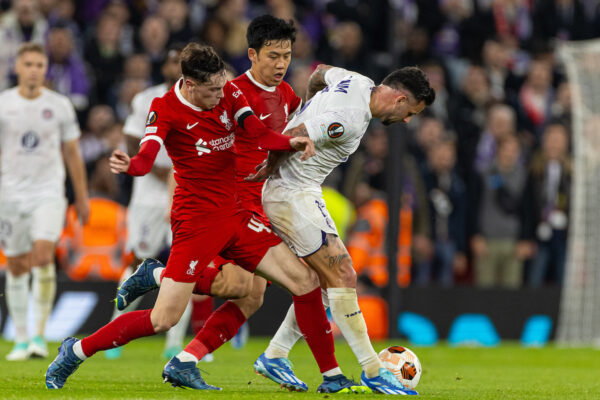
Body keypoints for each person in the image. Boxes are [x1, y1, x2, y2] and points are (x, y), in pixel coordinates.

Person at [45, 43, 344, 392]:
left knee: (302, 283)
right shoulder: (165, 108)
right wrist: (132, 166)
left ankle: (332, 377)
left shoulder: (228, 93)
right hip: (196, 222)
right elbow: (146, 155)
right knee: (163, 319)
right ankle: (77, 350)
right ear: (189, 84)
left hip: (237, 213)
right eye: (212, 90)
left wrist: (288, 143)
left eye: (222, 86)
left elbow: (258, 133)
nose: (222, 95)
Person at [110, 15, 368, 394]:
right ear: (252, 54)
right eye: (273, 55)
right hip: (234, 207)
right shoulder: (231, 92)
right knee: (258, 286)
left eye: (287, 55)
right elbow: (203, 145)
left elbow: (288, 132)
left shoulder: (285, 96)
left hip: (266, 206)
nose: (281, 64)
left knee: (257, 294)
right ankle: (322, 372)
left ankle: (188, 357)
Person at [246, 63, 434, 394]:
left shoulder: (357, 80)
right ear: (400, 99)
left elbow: (319, 72)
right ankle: (373, 370)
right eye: (410, 113)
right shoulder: (348, 119)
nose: (406, 121)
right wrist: (271, 167)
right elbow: (295, 134)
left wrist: (309, 103)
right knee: (344, 275)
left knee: (323, 279)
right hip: (290, 193)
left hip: (303, 191)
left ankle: (275, 354)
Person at [104, 44, 205, 361]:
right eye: (171, 62)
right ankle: (115, 331)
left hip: (187, 195)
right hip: (148, 194)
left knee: (186, 264)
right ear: (162, 67)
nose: (175, 67)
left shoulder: (204, 100)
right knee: (138, 260)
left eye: (182, 63)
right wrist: (164, 172)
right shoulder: (146, 99)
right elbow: (134, 139)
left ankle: (175, 341)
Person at [0, 42, 89, 361]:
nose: (35, 70)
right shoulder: (3, 104)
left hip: (48, 193)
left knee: (42, 255)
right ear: (17, 68)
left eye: (40, 64)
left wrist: (81, 196)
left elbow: (72, 154)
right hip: (9, 195)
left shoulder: (60, 105)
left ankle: (39, 336)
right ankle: (21, 338)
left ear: (45, 69)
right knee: (16, 263)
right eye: (29, 64)